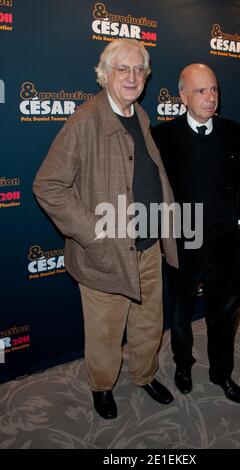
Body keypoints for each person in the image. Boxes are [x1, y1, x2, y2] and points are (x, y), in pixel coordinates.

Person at [33, 39, 178, 420]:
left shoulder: (141, 115)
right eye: (122, 69)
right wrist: (94, 234)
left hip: (147, 248)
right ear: (105, 74)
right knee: (105, 333)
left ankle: (144, 375)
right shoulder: (85, 120)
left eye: (139, 70)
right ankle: (101, 387)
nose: (132, 77)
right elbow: (47, 185)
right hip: (106, 255)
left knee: (148, 323)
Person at [153, 64, 240, 404]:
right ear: (182, 96)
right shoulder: (162, 137)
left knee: (224, 313)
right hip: (186, 235)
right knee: (180, 312)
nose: (210, 98)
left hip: (226, 239)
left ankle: (222, 372)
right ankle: (183, 365)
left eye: (214, 90)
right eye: (200, 91)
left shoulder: (235, 133)